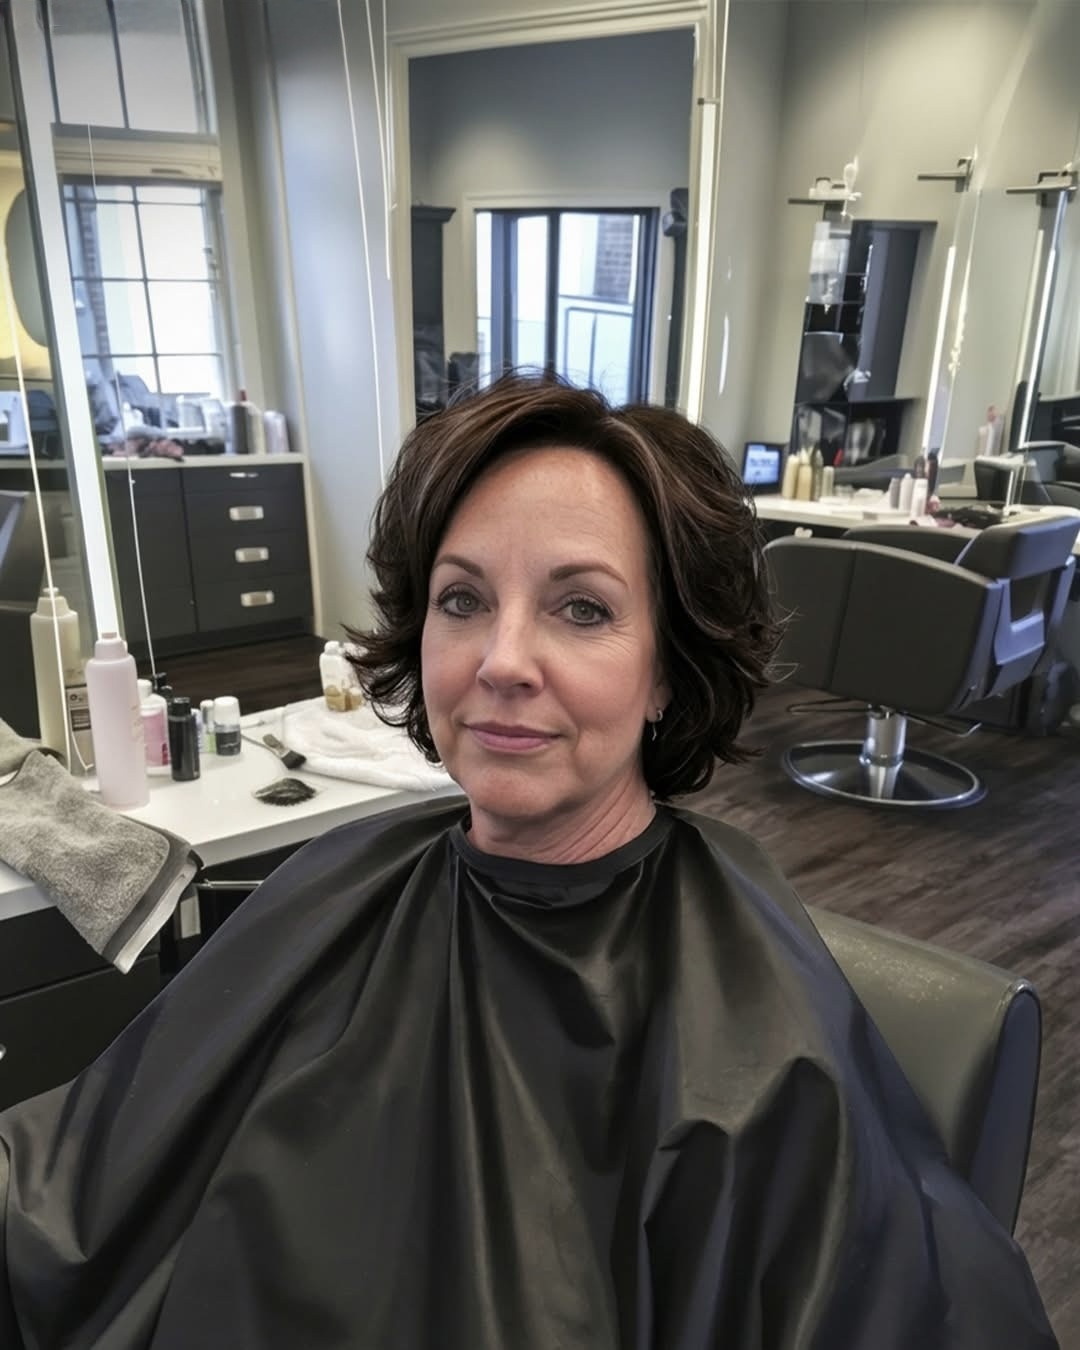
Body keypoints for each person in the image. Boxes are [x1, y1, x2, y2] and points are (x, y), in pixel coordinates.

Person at [0, 374, 1057, 1348]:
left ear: (666, 670)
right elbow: (73, 1192)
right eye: (462, 601)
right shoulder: (343, 879)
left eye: (582, 608)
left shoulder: (760, 1046)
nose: (502, 661)